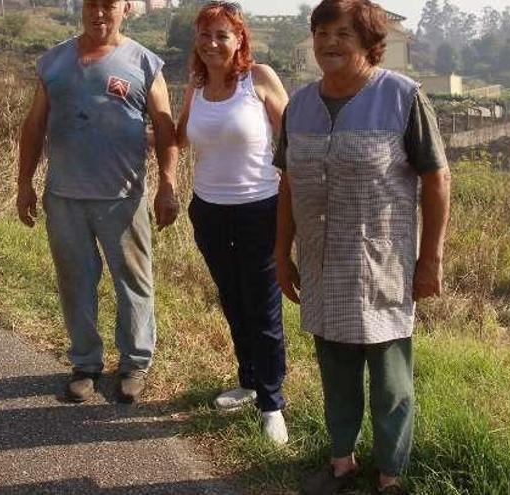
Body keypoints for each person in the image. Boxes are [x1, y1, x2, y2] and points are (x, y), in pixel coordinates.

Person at [274, 0, 451, 492]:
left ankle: (390, 475)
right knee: (336, 369)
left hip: (382, 265)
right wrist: (280, 253)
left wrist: (430, 257)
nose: (329, 43)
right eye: (321, 32)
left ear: (370, 44)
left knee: (391, 380)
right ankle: (341, 464)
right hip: (321, 261)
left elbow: (436, 179)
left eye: (343, 34)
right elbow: (288, 184)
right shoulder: (299, 105)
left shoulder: (400, 97)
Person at [16, 0, 178, 404]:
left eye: (109, 5)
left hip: (122, 198)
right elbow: (34, 125)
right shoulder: (53, 61)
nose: (99, 13)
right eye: (92, 4)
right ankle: (85, 364)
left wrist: (168, 185)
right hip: (64, 197)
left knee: (134, 284)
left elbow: (164, 125)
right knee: (75, 283)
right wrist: (24, 184)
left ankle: (135, 364)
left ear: (125, 9)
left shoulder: (144, 63)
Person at [175, 1, 290, 444]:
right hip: (208, 211)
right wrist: (120, 130)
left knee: (262, 305)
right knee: (232, 299)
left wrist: (297, 197)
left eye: (222, 35)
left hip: (259, 209)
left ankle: (272, 403)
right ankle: (248, 380)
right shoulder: (197, 86)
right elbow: (180, 136)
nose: (212, 43)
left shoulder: (257, 80)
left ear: (240, 39)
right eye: (205, 35)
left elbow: (292, 137)